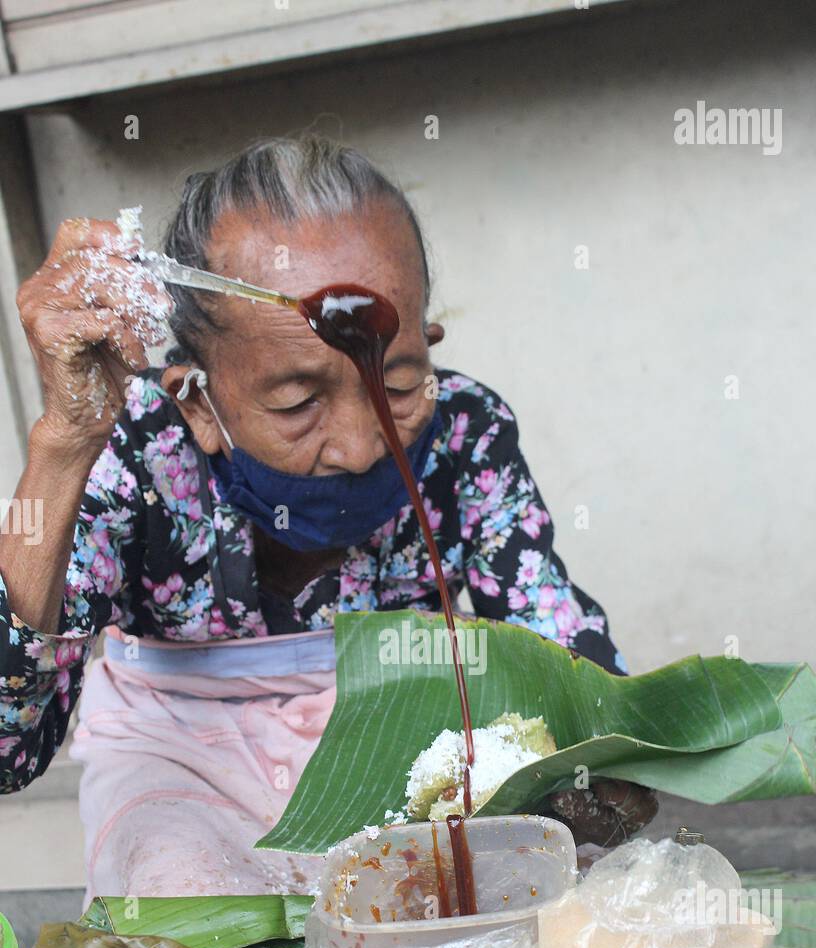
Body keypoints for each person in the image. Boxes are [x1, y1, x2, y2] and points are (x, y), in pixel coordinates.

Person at [0, 135, 652, 899]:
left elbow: (561, 650)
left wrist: (601, 764)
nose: (357, 444)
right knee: (189, 911)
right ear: (196, 401)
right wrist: (64, 443)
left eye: (400, 385)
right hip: (180, 776)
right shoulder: (134, 444)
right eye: (296, 402)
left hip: (398, 767)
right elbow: (7, 748)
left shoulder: (467, 431)